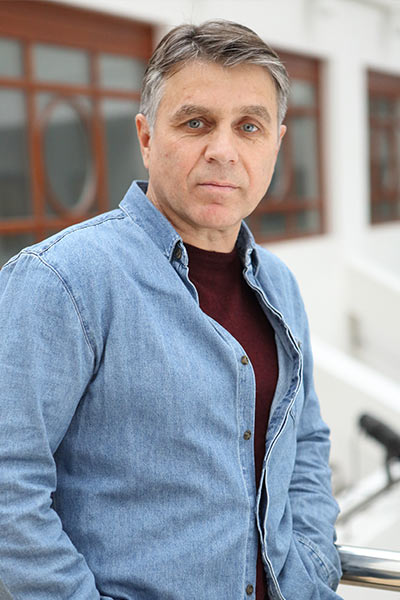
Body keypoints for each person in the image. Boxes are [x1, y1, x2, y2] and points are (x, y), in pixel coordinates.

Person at [0, 20, 342, 600]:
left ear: (276, 144)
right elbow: (10, 487)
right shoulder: (62, 281)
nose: (223, 151)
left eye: (249, 126)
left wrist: (311, 562)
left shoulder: (279, 285)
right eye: (196, 122)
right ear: (146, 137)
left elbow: (305, 441)